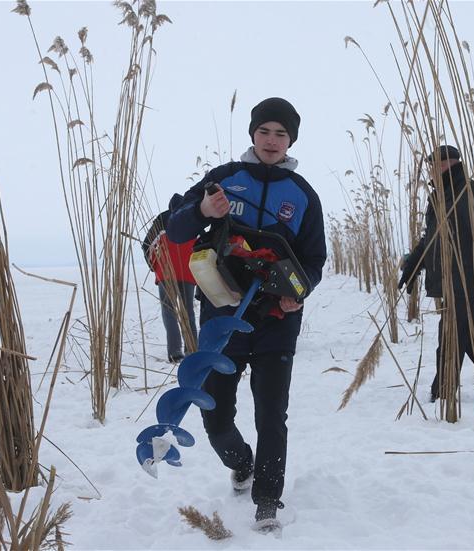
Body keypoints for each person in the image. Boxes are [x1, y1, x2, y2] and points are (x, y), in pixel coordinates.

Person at [166, 97, 326, 533]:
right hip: (220, 316)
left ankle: (268, 499)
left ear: (291, 139)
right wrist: (202, 210)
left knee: (271, 412)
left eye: (281, 133)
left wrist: (299, 293)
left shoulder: (303, 195)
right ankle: (241, 463)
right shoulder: (223, 180)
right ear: (253, 134)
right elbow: (176, 230)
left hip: (276, 319)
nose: (272, 141)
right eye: (265, 131)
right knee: (216, 413)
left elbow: (314, 260)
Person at [398, 145, 474, 402]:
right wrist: (414, 264)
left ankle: (442, 390)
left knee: (451, 334)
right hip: (448, 278)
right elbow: (431, 239)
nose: (430, 169)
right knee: (471, 333)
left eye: (433, 164)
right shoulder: (439, 196)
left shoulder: (468, 191)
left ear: (447, 163)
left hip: (466, 278)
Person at [142, 194, 198, 363]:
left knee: (169, 312)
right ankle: (192, 349)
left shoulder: (162, 219)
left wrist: (154, 266)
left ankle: (175, 352)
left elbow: (146, 244)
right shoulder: (192, 219)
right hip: (188, 273)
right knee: (188, 311)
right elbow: (202, 245)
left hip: (165, 273)